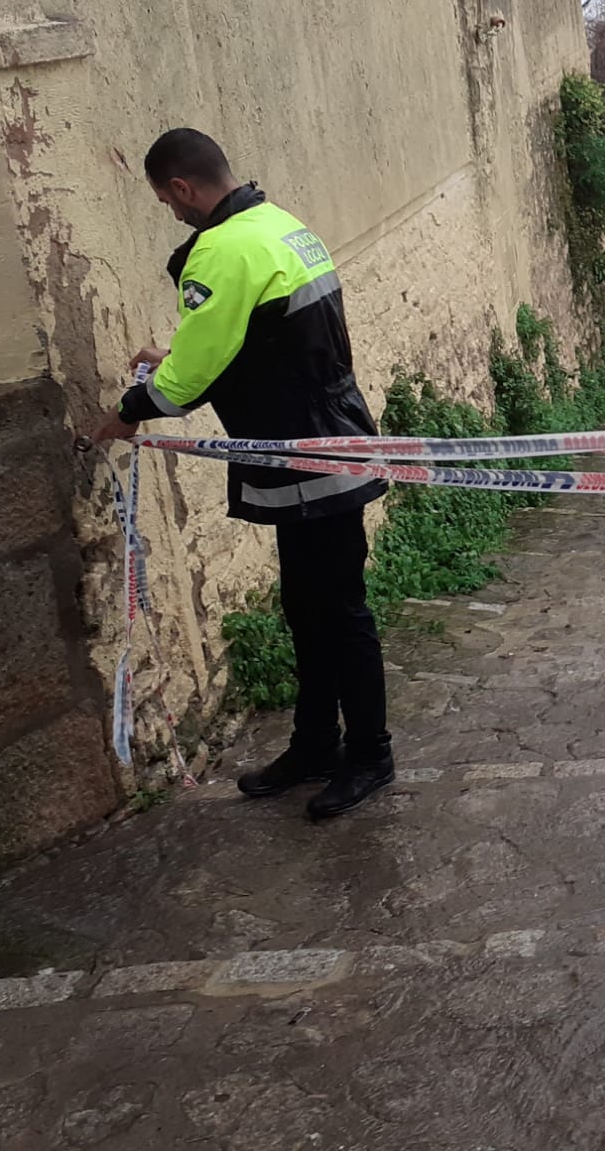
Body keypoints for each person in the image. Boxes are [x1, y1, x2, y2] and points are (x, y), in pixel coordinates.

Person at [84, 129, 395, 819]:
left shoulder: (220, 250)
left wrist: (132, 409)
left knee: (340, 612)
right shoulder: (277, 225)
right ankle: (315, 745)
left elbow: (193, 376)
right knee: (306, 610)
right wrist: (172, 353)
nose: (172, 213)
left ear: (183, 189)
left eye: (168, 201)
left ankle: (370, 755)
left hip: (309, 458)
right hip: (323, 443)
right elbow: (260, 337)